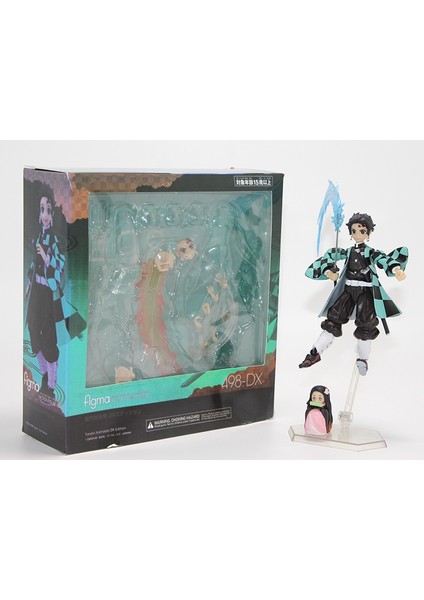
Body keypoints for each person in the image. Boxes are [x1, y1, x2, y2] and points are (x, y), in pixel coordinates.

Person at [299, 213, 408, 375]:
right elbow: (328, 257)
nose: (358, 234)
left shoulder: (371, 252)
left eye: (362, 231)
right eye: (354, 231)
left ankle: (363, 359)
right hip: (348, 291)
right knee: (333, 320)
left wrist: (396, 269)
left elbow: (384, 260)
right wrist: (329, 272)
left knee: (366, 324)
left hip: (365, 292)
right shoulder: (347, 252)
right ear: (350, 232)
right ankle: (315, 352)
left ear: (368, 233)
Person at [26, 186, 65, 399]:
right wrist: (28, 285)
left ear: (53, 213)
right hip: (36, 291)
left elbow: (60, 265)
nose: (45, 215)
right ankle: (44, 373)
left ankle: (51, 384)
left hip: (49, 293)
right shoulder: (38, 238)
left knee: (49, 336)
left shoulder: (55, 240)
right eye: (42, 209)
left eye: (48, 210)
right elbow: (33, 264)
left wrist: (48, 258)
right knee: (33, 328)